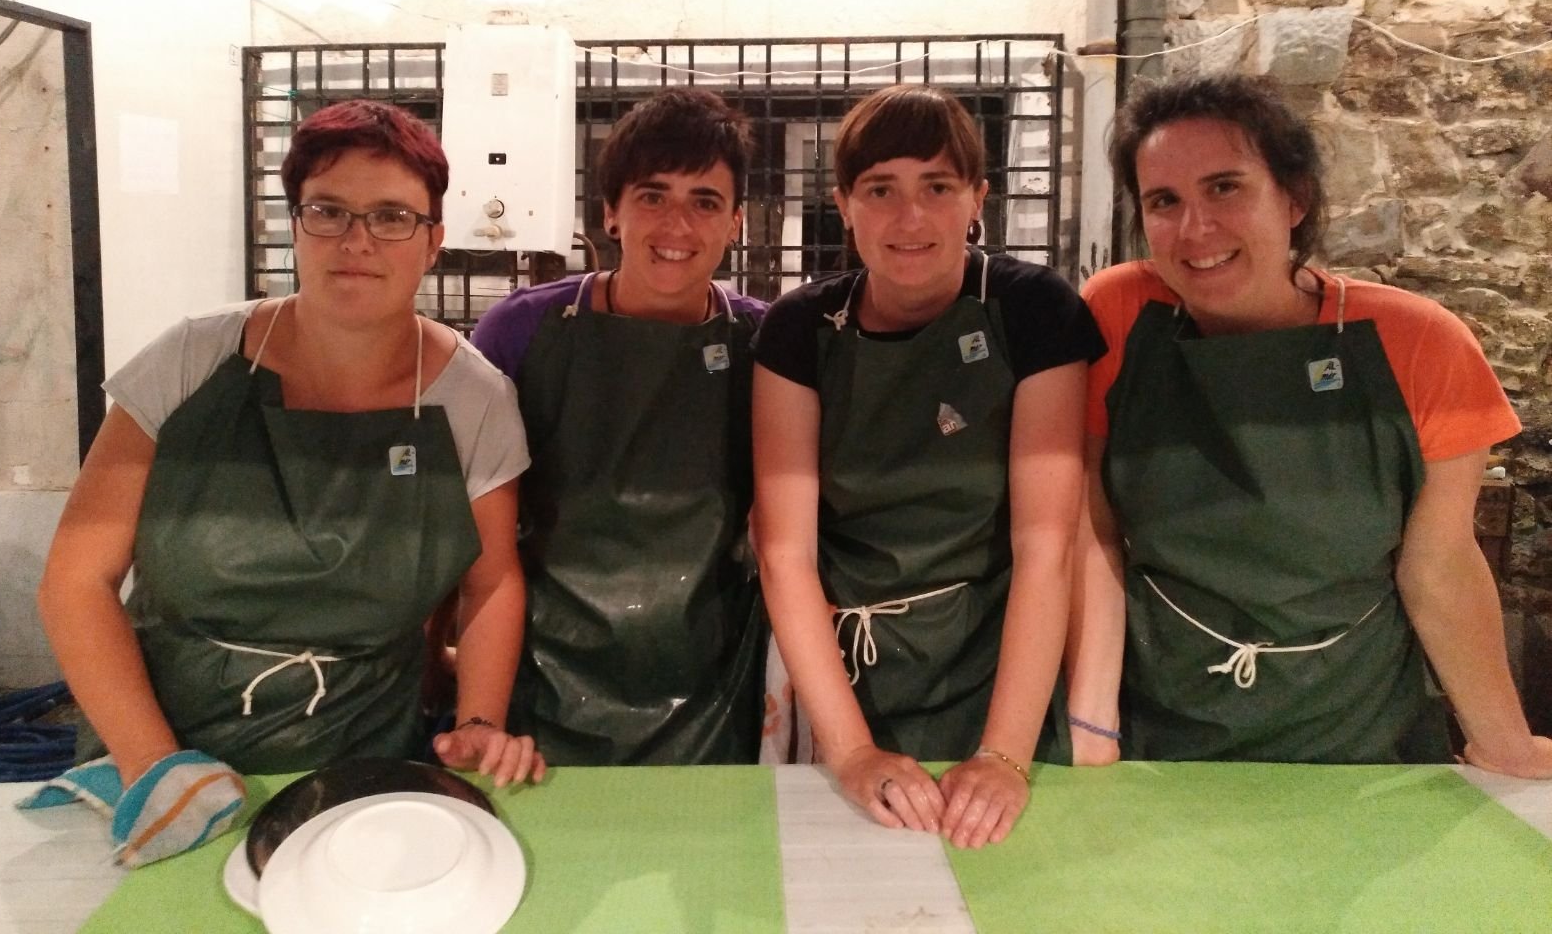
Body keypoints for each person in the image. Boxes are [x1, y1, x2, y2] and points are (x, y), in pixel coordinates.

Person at [29, 100, 543, 867]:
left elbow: (491, 581)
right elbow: (75, 579)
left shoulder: (475, 400)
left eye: (391, 217)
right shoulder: (190, 361)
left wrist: (477, 722)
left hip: (365, 765)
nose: (357, 241)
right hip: (159, 751)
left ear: (433, 241)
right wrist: (155, 767)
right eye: (328, 211)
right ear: (295, 225)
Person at [1067, 73, 1552, 775]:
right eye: (1163, 201)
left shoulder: (1421, 343)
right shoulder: (1116, 312)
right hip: (1153, 728)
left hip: (1358, 738)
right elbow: (1092, 531)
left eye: (1224, 187)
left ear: (1294, 199)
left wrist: (1505, 743)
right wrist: (1091, 724)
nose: (1195, 229)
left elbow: (1438, 563)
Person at [753, 84, 1104, 849]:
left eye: (936, 187)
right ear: (844, 205)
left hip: (995, 672)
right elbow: (785, 555)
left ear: (976, 198)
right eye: (880, 189)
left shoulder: (1034, 311)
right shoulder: (797, 330)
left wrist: (1003, 756)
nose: (909, 217)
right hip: (838, 678)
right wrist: (852, 752)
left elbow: (1044, 545)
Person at [471, 87, 768, 764]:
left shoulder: (765, 340)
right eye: (652, 196)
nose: (676, 225)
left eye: (704, 202)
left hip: (716, 686)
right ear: (610, 212)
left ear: (735, 223)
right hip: (539, 682)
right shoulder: (520, 330)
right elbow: (461, 521)